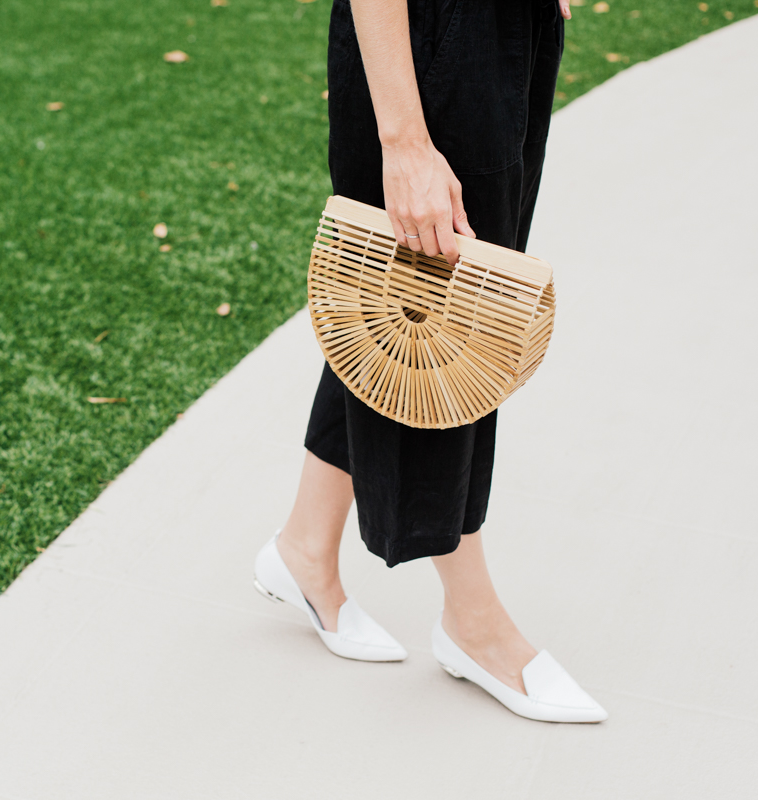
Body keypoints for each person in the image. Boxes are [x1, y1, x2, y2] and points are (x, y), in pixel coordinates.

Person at [253, 0, 607, 723]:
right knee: (446, 323)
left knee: (401, 313)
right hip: (426, 43)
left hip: (503, 31)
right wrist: (405, 142)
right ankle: (472, 621)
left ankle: (304, 546)